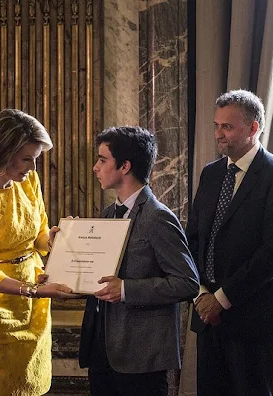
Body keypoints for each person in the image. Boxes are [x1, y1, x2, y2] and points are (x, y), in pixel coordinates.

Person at [186, 89, 273, 396]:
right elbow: (194, 239)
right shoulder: (211, 174)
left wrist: (221, 298)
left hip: (254, 319)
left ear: (253, 128)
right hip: (207, 316)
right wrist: (201, 294)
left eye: (227, 126)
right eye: (216, 125)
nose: (218, 134)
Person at [0, 109, 77, 396]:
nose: (33, 167)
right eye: (27, 158)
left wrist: (60, 240)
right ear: (3, 152)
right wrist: (37, 291)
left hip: (33, 300)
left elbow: (39, 239)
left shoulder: (29, 181)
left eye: (35, 158)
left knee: (32, 385)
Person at [74, 126, 200, 396]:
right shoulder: (107, 215)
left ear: (125, 166)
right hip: (102, 352)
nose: (96, 167)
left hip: (141, 358)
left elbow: (187, 283)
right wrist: (65, 249)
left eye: (102, 159)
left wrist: (126, 290)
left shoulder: (158, 217)